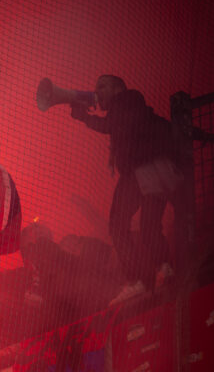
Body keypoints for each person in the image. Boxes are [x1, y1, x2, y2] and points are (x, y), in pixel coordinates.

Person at [70, 75, 184, 304]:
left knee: (118, 225)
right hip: (152, 173)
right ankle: (165, 268)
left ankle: (137, 281)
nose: (98, 91)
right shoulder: (133, 106)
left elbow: (109, 125)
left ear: (118, 88)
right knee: (149, 226)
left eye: (102, 86)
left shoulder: (126, 99)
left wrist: (84, 116)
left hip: (138, 173)